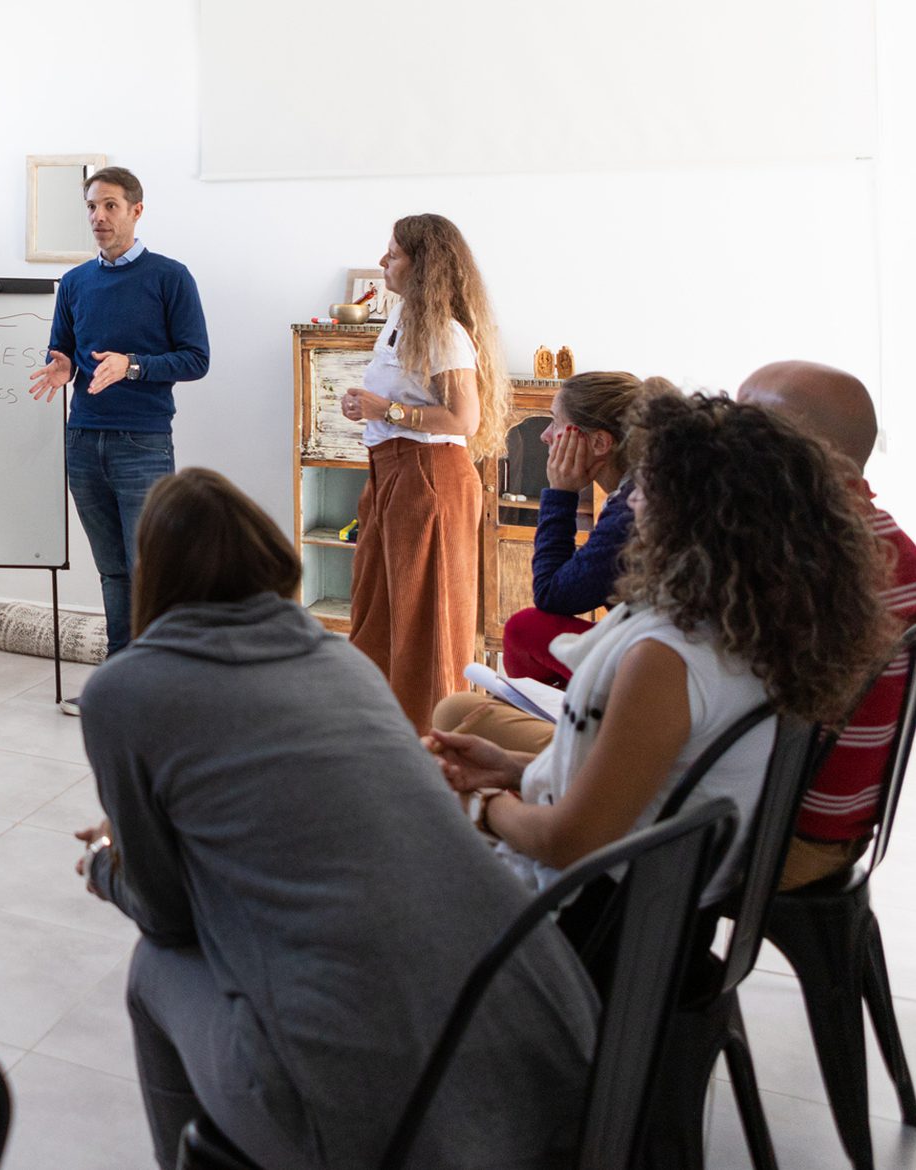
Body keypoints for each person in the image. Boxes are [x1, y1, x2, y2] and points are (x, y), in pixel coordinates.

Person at [73, 468, 598, 1170]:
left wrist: (109, 863)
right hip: (557, 1060)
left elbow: (166, 913)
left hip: (371, 1124)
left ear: (153, 579)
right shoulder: (343, 662)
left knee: (155, 966)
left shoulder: (123, 691)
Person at [427, 393, 894, 900]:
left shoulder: (666, 656)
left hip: (583, 917)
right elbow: (654, 781)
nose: (630, 501)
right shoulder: (754, 623)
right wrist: (512, 766)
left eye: (647, 486)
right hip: (645, 896)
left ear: (694, 512)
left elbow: (568, 842)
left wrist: (483, 801)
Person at [28, 165, 210, 705]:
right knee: (112, 569)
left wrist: (133, 366)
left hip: (143, 443)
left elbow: (196, 358)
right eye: (91, 207)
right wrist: (60, 368)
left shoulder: (170, 277)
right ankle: (120, 688)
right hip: (82, 440)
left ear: (136, 210)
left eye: (109, 206)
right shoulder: (77, 282)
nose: (98, 217)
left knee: (148, 568)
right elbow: (61, 349)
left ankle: (157, 688)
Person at [737, 360, 916, 890]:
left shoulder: (809, 559)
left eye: (748, 428)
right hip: (836, 818)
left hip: (784, 830)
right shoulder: (888, 542)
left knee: (483, 727)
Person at [432, 372, 675, 754]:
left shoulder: (633, 507)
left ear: (598, 442)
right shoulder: (641, 489)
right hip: (652, 658)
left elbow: (551, 594)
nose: (546, 435)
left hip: (653, 674)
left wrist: (559, 494)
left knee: (525, 629)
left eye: (557, 423)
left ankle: (554, 738)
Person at [341, 214, 510, 732]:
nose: (382, 261)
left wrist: (386, 411)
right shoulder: (404, 317)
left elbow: (463, 419)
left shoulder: (445, 333)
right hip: (392, 473)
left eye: (392, 254)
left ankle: (435, 744)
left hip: (428, 477)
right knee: (379, 611)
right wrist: (371, 407)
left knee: (428, 621)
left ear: (423, 265)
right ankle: (384, 733)